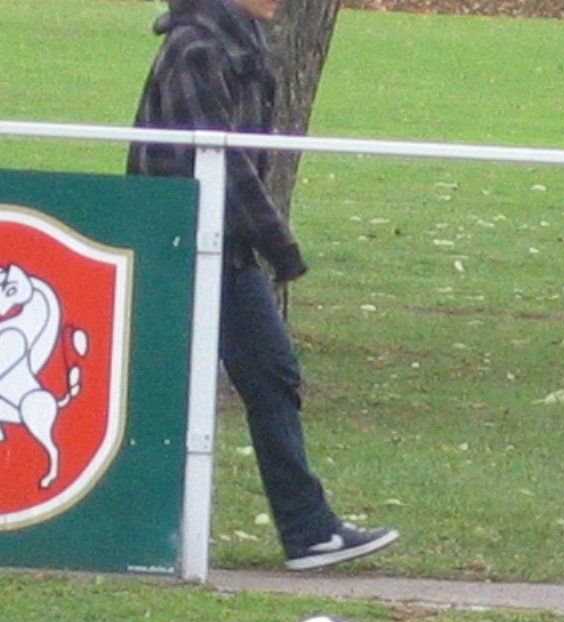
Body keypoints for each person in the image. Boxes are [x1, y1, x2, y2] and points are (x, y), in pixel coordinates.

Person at [127, 0, 399, 570]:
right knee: (161, 389)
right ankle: (133, 531)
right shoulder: (197, 50)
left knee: (272, 375)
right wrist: (280, 246)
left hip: (223, 246)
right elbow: (220, 165)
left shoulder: (239, 43)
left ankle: (307, 531)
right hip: (179, 249)